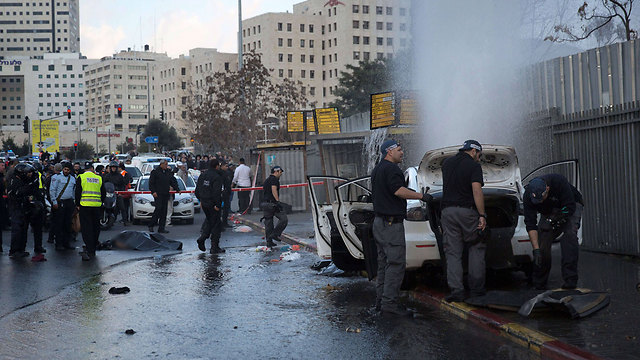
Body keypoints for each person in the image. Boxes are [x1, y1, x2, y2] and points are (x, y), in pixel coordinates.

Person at [371, 139, 430, 316]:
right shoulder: (392, 169)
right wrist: (422, 196)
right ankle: (390, 305)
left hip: (379, 223)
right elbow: (398, 191)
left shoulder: (378, 169)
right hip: (390, 225)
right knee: (395, 264)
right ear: (389, 152)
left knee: (383, 265)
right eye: (399, 149)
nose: (402, 152)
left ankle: (381, 302)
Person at [440, 140, 487, 302]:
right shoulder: (474, 167)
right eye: (479, 155)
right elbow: (476, 190)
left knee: (453, 252)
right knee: (476, 246)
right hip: (467, 212)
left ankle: (456, 291)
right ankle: (477, 290)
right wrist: (482, 215)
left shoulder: (447, 163)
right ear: (473, 151)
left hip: (447, 212)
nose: (479, 159)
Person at [524, 175, 584, 290]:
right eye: (537, 201)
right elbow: (530, 224)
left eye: (541, 199)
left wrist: (557, 219)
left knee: (569, 236)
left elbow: (570, 207)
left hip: (571, 204)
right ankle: (539, 282)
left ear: (547, 189)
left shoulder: (559, 182)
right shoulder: (528, 195)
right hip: (550, 209)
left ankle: (570, 281)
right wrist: (536, 250)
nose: (539, 202)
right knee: (543, 241)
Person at [7, 163, 46, 258]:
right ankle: (15, 250)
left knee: (23, 229)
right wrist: (29, 187)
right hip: (16, 208)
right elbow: (17, 193)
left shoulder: (26, 180)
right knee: (17, 229)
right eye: (27, 173)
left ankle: (21, 249)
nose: (30, 175)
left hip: (23, 208)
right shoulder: (14, 181)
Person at [75, 162, 106, 261]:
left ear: (85, 169)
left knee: (86, 228)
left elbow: (78, 192)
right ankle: (93, 247)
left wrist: (77, 204)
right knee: (96, 227)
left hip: (85, 206)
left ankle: (89, 248)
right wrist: (101, 202)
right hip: (96, 206)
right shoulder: (99, 178)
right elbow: (103, 192)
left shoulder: (81, 177)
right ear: (92, 168)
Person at [195, 159, 225, 253]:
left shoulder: (203, 175)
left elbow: (197, 190)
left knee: (209, 221)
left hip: (205, 203)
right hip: (213, 204)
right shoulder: (216, 177)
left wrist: (201, 200)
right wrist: (217, 204)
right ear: (217, 166)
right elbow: (216, 192)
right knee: (216, 224)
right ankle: (214, 246)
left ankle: (203, 238)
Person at [50, 161, 76, 251]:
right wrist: (54, 202)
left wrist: (74, 202)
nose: (66, 171)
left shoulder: (72, 178)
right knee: (59, 224)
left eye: (68, 170)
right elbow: (52, 190)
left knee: (68, 224)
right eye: (65, 169)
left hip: (69, 202)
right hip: (60, 202)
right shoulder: (56, 178)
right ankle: (59, 243)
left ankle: (66, 243)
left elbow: (73, 191)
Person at [148, 160, 179, 233]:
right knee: (158, 209)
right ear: (161, 164)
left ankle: (161, 228)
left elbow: (172, 181)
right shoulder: (155, 172)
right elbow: (151, 183)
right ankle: (151, 225)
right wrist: (153, 192)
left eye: (167, 164)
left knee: (164, 211)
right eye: (165, 164)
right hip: (158, 194)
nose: (166, 166)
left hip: (165, 194)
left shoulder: (168, 172)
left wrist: (177, 189)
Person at [261, 166, 288, 248]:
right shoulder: (274, 180)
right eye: (280, 172)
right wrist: (277, 201)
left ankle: (269, 241)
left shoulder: (267, 180)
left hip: (265, 204)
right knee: (284, 219)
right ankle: (275, 234)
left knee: (269, 223)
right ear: (276, 171)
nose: (281, 174)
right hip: (273, 204)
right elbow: (274, 189)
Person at [102, 161, 128, 226]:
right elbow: (104, 184)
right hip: (109, 194)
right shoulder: (107, 176)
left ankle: (125, 220)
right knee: (108, 206)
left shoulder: (120, 176)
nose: (113, 169)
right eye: (112, 167)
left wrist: (121, 192)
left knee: (122, 207)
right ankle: (110, 220)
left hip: (118, 193)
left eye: (115, 167)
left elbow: (123, 185)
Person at [220, 161, 233, 228]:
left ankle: (224, 222)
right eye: (226, 166)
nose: (227, 167)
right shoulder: (220, 173)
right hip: (222, 193)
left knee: (226, 208)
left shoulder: (226, 173)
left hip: (226, 193)